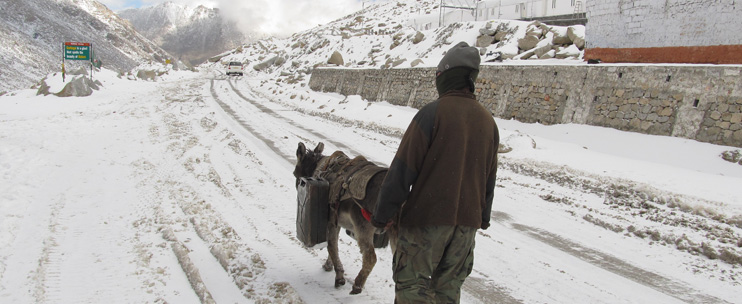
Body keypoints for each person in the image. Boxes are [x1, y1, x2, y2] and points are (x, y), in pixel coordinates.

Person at [371, 41, 499, 303]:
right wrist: (482, 217)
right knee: (447, 291)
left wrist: (382, 216)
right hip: (466, 227)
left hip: (426, 221)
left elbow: (401, 172)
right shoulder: (488, 121)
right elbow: (489, 179)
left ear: (446, 76)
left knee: (412, 289)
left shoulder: (431, 114)